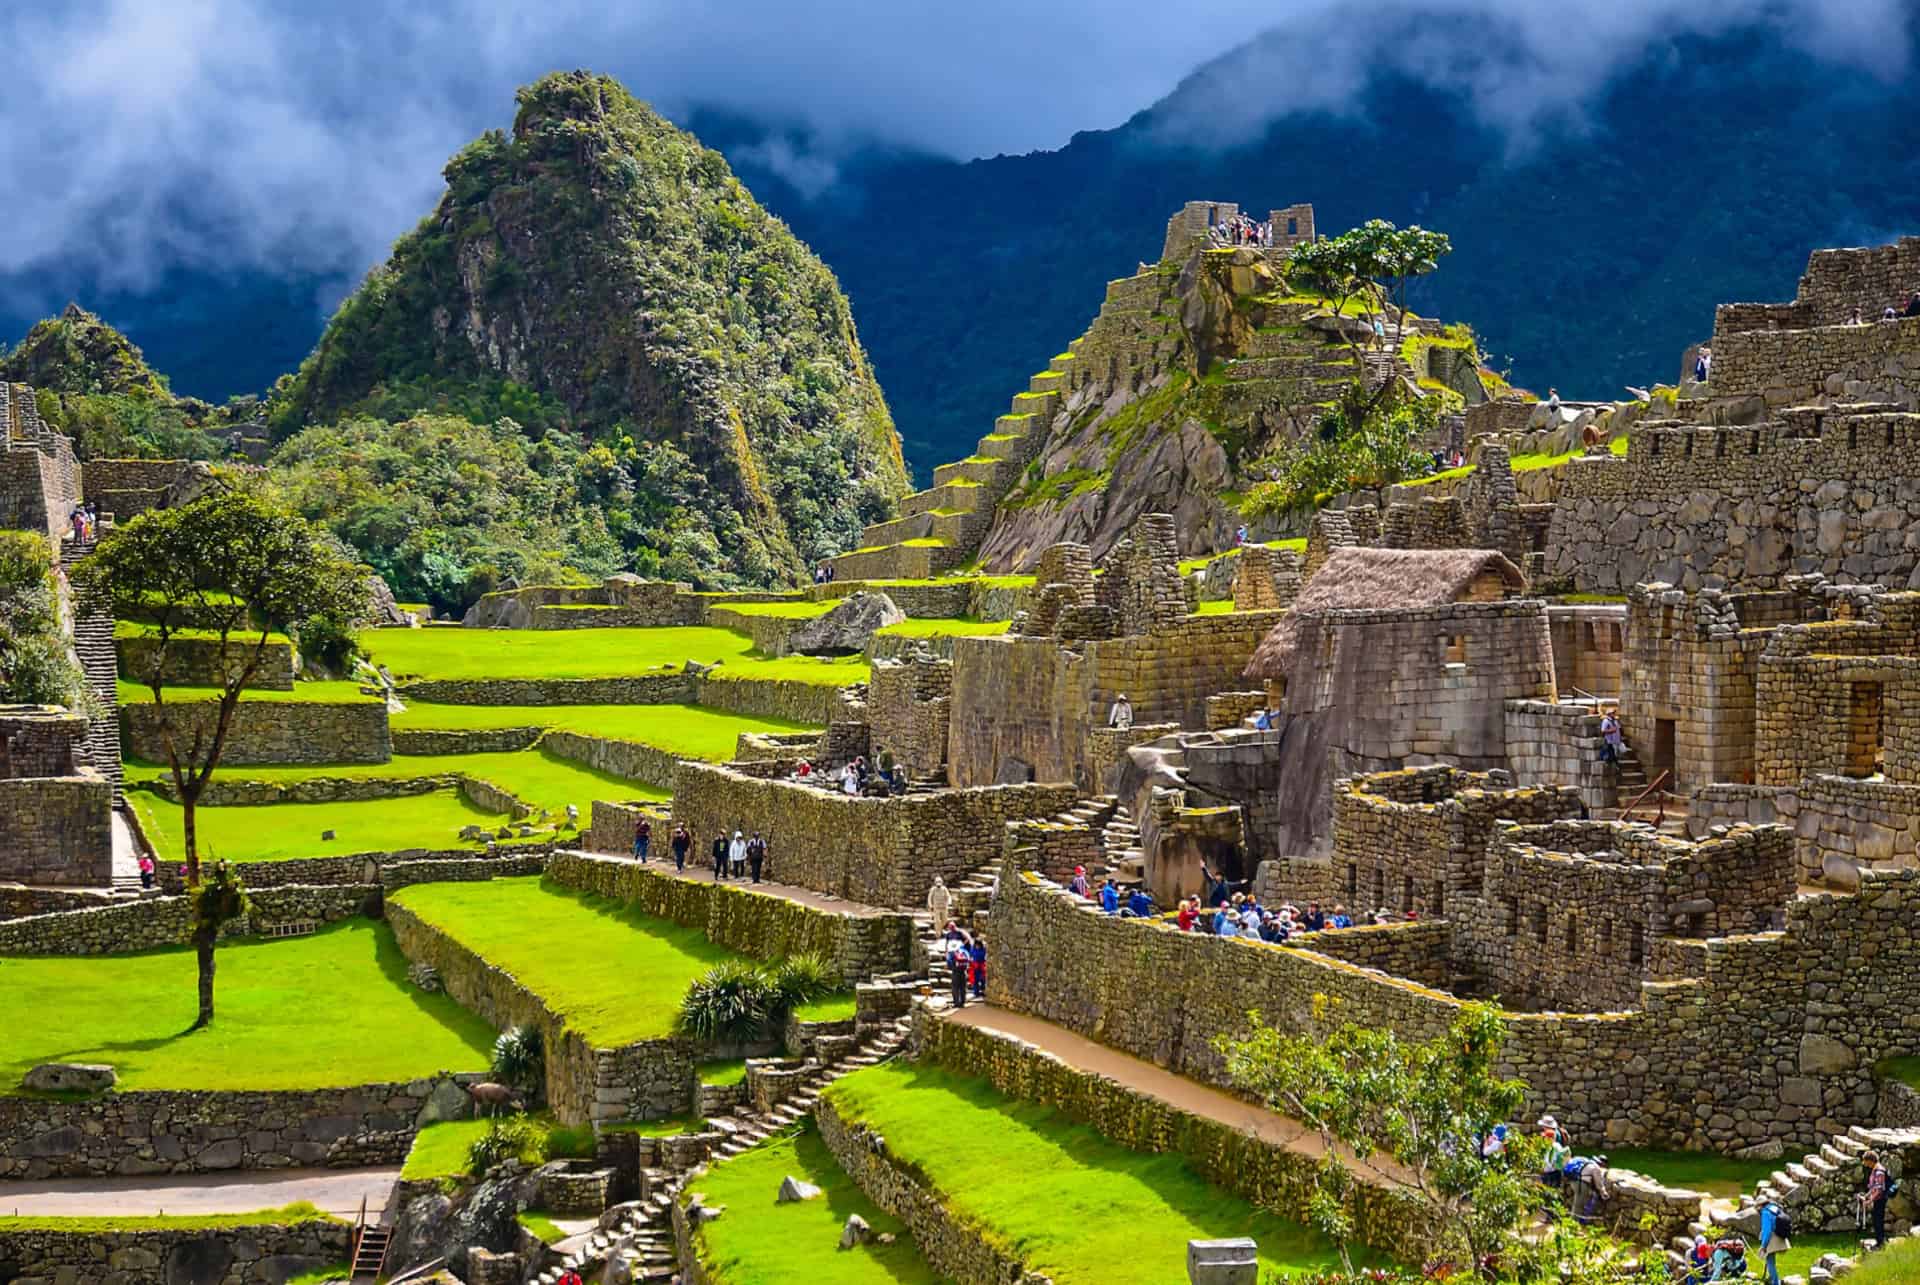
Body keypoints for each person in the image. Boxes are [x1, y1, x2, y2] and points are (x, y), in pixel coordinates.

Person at [1858, 1150, 1890, 1250]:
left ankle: (1881, 1242)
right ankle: (1879, 1240)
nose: (1865, 1164)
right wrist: (1866, 1196)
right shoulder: (1875, 1169)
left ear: (1870, 1161)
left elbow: (1879, 1189)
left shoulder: (1879, 1171)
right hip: (1877, 1198)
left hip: (1880, 1199)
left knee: (1878, 1220)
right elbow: (1873, 1187)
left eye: (1865, 1161)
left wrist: (1869, 1201)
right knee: (1875, 1219)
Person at [1759, 1197, 1789, 1284]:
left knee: (1770, 1262)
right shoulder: (1776, 1208)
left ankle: (1775, 1282)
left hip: (1772, 1239)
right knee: (1771, 1261)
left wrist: (1764, 1246)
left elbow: (1767, 1231)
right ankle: (1772, 1279)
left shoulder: (1765, 1212)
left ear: (1761, 1205)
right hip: (1781, 1236)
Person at [946, 932, 971, 1008]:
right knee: (963, 987)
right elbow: (968, 959)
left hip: (955, 972)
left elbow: (949, 962)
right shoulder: (964, 951)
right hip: (963, 972)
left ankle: (956, 1002)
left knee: (955, 987)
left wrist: (951, 967)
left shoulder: (952, 952)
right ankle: (962, 1002)